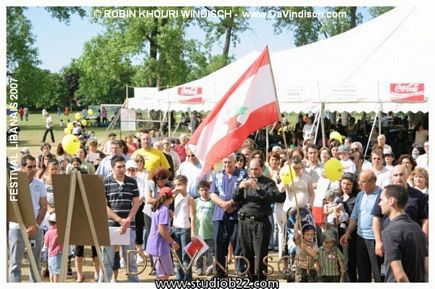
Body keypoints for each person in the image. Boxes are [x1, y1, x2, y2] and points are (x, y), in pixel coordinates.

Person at [233, 157, 286, 281]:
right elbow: (235, 199)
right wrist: (240, 188)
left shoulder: (268, 183)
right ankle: (250, 279)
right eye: (251, 169)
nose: (253, 171)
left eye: (256, 169)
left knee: (261, 254)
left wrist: (257, 188)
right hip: (245, 221)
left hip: (261, 222)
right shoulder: (244, 180)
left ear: (262, 168)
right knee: (247, 254)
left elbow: (275, 197)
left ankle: (262, 281)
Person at [98, 156, 141, 282]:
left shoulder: (132, 182)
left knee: (131, 261)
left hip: (129, 226)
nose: (122, 169)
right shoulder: (106, 182)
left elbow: (136, 203)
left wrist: (127, 220)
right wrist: (119, 220)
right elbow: (103, 206)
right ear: (112, 168)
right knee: (107, 261)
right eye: (119, 167)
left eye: (124, 166)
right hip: (110, 226)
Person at [9, 155, 47, 282]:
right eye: (30, 167)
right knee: (15, 264)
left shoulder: (40, 184)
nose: (33, 169)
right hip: (16, 228)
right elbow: (10, 207)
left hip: (36, 229)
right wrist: (23, 225)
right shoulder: (12, 183)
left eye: (35, 166)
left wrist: (35, 225)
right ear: (22, 167)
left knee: (35, 265)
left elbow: (43, 207)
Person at [339, 170, 382, 282]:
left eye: (363, 182)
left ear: (373, 181)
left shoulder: (382, 195)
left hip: (374, 240)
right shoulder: (360, 194)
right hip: (360, 237)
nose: (360, 184)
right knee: (363, 272)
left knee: (378, 273)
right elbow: (354, 216)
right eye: (360, 181)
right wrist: (348, 233)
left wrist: (379, 241)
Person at [378, 185, 428, 282]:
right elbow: (427, 267)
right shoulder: (418, 228)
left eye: (382, 200)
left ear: (391, 201)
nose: (379, 204)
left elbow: (400, 276)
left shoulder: (390, 231)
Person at [209, 153, 247, 278]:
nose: (227, 165)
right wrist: (223, 204)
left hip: (237, 216)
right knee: (220, 246)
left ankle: (240, 271)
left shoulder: (243, 174)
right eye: (224, 162)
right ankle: (220, 272)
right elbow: (212, 194)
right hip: (220, 215)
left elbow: (245, 193)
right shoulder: (218, 175)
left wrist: (231, 203)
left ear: (235, 161)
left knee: (238, 246)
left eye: (229, 162)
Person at [146, 187, 179, 280]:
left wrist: (170, 217)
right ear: (171, 199)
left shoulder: (158, 208)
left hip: (155, 244)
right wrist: (173, 242)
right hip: (159, 246)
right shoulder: (164, 210)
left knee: (161, 274)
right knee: (163, 275)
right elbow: (162, 230)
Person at [171, 175, 196, 281]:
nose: (177, 187)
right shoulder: (175, 197)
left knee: (186, 257)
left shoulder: (189, 198)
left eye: (179, 184)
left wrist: (193, 232)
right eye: (175, 185)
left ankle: (188, 279)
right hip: (175, 228)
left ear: (185, 184)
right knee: (177, 257)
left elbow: (193, 216)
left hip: (185, 229)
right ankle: (179, 279)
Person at [338, 173, 359, 282]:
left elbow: (355, 217)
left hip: (350, 234)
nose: (345, 186)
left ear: (353, 185)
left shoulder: (356, 198)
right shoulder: (338, 196)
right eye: (344, 183)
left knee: (348, 262)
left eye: (348, 184)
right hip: (338, 232)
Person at [194, 181, 215, 276]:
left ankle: (209, 267)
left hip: (210, 231)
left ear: (209, 190)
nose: (204, 192)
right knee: (198, 252)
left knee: (210, 252)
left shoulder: (213, 201)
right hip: (199, 231)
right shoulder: (195, 201)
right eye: (201, 190)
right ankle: (198, 267)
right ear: (198, 191)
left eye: (206, 189)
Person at [44, 213, 62, 283]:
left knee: (51, 271)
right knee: (56, 272)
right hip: (57, 254)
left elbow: (46, 243)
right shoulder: (59, 231)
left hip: (50, 254)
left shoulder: (48, 232)